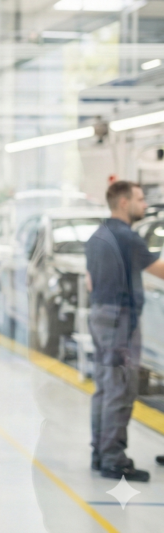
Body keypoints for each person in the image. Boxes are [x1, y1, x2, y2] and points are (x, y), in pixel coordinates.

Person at [86, 181, 164, 482]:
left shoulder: (98, 235)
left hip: (101, 314)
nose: (145, 205)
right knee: (120, 389)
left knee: (105, 387)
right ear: (123, 203)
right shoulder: (127, 237)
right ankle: (114, 460)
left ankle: (100, 453)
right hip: (121, 320)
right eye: (140, 199)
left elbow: (90, 279)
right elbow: (160, 269)